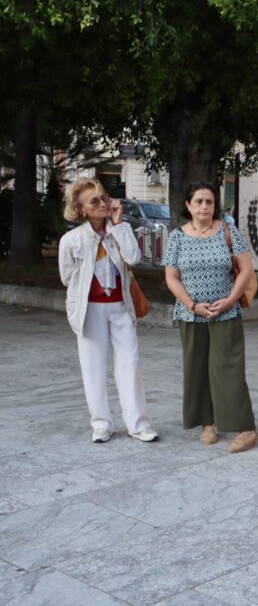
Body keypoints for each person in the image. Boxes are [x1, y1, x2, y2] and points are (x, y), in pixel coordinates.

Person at [58, 178, 158, 444]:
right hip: (89, 310)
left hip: (121, 307)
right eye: (95, 201)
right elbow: (67, 277)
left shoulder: (117, 231)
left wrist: (120, 224)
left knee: (131, 364)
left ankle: (137, 424)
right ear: (81, 209)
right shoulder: (71, 240)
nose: (103, 203)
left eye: (103, 197)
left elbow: (134, 257)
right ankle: (101, 424)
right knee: (93, 368)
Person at [164, 182, 258, 453]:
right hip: (190, 314)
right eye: (199, 201)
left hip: (226, 312)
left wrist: (230, 299)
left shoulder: (228, 231)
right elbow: (171, 276)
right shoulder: (177, 237)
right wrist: (192, 305)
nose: (205, 206)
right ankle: (208, 422)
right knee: (197, 369)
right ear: (188, 205)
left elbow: (245, 269)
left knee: (229, 368)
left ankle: (246, 428)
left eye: (209, 201)